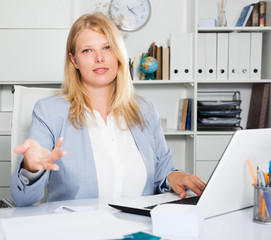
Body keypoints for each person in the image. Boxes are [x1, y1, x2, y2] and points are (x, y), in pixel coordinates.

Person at [10, 12, 205, 207]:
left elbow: (162, 171)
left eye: (107, 48)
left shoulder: (145, 109)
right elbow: (23, 200)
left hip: (140, 230)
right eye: (87, 51)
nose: (100, 58)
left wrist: (173, 176)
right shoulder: (49, 112)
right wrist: (31, 168)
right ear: (74, 61)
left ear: (119, 54)